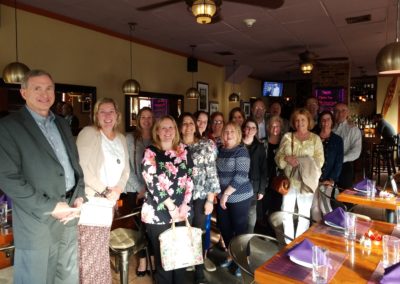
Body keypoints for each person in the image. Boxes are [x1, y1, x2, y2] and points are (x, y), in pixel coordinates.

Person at [0, 70, 85, 283]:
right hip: (38, 220)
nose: (44, 93)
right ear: (24, 92)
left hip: (70, 213)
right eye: (37, 88)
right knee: (36, 278)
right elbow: (7, 178)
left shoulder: (63, 124)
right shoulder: (9, 127)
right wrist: (51, 207)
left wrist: (80, 194)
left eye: (49, 88)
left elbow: (74, 165)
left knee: (68, 276)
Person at [76, 97, 130, 283]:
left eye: (111, 111)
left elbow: (126, 170)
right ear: (96, 115)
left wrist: (118, 190)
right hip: (92, 203)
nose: (107, 116)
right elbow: (82, 168)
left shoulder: (121, 138)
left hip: (109, 203)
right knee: (90, 256)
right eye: (102, 112)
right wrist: (106, 191)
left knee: (99, 251)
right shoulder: (89, 133)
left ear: (117, 115)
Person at [141, 115, 194, 284]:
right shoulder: (150, 152)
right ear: (157, 131)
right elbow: (152, 183)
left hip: (182, 212)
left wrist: (185, 204)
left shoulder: (184, 150)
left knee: (180, 260)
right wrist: (172, 208)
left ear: (176, 130)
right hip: (158, 214)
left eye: (171, 127)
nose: (167, 131)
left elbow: (190, 179)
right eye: (163, 128)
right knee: (164, 261)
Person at [179, 112, 220, 284]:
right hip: (181, 199)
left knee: (199, 232)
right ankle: (182, 266)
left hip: (201, 196)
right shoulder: (175, 146)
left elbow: (212, 173)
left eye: (191, 123)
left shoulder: (205, 145)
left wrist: (210, 200)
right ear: (179, 127)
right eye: (184, 123)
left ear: (195, 126)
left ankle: (199, 270)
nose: (188, 126)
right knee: (183, 233)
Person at [275, 108, 324, 243]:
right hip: (289, 181)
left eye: (303, 119)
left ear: (308, 121)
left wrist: (303, 163)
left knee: (304, 213)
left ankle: (300, 243)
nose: (300, 122)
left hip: (307, 181)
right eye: (297, 120)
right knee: (286, 211)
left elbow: (320, 160)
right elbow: (278, 156)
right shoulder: (287, 137)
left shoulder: (315, 139)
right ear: (293, 122)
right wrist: (286, 158)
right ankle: (288, 243)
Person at [216, 122, 253, 277]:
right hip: (221, 197)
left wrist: (226, 194)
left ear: (238, 134)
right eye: (226, 131)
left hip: (239, 197)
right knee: (224, 228)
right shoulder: (219, 150)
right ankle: (231, 256)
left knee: (240, 230)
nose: (228, 134)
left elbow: (241, 176)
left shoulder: (241, 151)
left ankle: (243, 261)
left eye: (232, 131)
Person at [125, 107, 154, 277]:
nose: (146, 120)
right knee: (139, 226)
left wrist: (150, 189)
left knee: (152, 226)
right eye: (143, 117)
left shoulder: (158, 137)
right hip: (134, 190)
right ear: (138, 120)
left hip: (155, 190)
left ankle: (153, 256)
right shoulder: (130, 138)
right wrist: (140, 188)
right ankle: (143, 260)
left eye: (150, 117)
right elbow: (126, 167)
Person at [242, 118, 267, 233]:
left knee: (252, 211)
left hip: (254, 185)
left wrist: (262, 190)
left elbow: (263, 168)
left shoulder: (260, 147)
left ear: (256, 130)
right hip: (239, 184)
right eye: (248, 127)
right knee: (241, 211)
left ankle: (249, 236)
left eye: (253, 127)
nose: (250, 129)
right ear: (243, 129)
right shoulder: (238, 144)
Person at [262, 115, 284, 234]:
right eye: (272, 125)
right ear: (268, 127)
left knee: (276, 210)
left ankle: (273, 233)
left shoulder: (284, 142)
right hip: (265, 181)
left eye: (278, 126)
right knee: (263, 208)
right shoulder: (262, 142)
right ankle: (263, 233)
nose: (275, 128)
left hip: (279, 182)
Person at [333, 103, 362, 189]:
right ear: (333, 113)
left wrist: (341, 159)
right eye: (337, 111)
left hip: (344, 165)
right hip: (328, 165)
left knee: (345, 195)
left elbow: (356, 151)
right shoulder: (329, 127)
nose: (340, 113)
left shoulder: (353, 129)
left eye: (343, 111)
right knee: (327, 194)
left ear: (348, 113)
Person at [318, 111, 344, 185]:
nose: (326, 121)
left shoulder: (338, 140)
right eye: (323, 119)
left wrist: (331, 179)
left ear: (332, 121)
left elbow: (338, 162)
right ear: (320, 122)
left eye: (328, 119)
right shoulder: (314, 137)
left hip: (328, 180)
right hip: (312, 178)